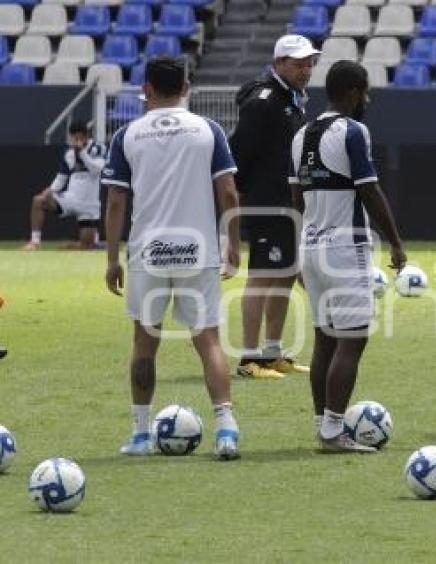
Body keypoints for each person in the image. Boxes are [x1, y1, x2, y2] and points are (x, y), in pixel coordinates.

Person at [102, 56, 242, 460]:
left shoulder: (127, 135)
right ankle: (227, 430)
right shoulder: (207, 130)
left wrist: (112, 259)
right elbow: (229, 192)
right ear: (186, 87)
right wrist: (233, 241)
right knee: (208, 340)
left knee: (144, 345)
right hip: (198, 249)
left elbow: (115, 201)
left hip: (148, 252)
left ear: (146, 89)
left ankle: (142, 435)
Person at [289, 60, 406, 453]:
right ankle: (333, 432)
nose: (367, 100)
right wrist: (395, 242)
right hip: (346, 247)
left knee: (325, 339)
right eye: (365, 92)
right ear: (354, 92)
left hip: (311, 245)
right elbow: (370, 192)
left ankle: (324, 425)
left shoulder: (301, 133)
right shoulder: (354, 132)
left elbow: (296, 198)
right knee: (352, 340)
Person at [228, 34, 319, 379]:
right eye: (298, 64)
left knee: (282, 277)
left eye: (309, 63)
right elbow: (241, 154)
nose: (306, 69)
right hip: (268, 203)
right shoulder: (264, 101)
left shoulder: (292, 98)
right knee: (263, 277)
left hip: (288, 203)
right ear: (279, 63)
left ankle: (272, 352)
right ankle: (249, 358)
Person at [24, 121, 106, 250]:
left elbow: (97, 169)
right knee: (38, 200)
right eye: (74, 138)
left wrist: (82, 153)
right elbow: (61, 178)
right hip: (70, 199)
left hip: (89, 206)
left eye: (79, 138)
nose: (76, 141)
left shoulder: (98, 148)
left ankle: (82, 244)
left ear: (86, 136)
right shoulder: (68, 154)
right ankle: (35, 242)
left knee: (87, 247)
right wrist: (50, 190)